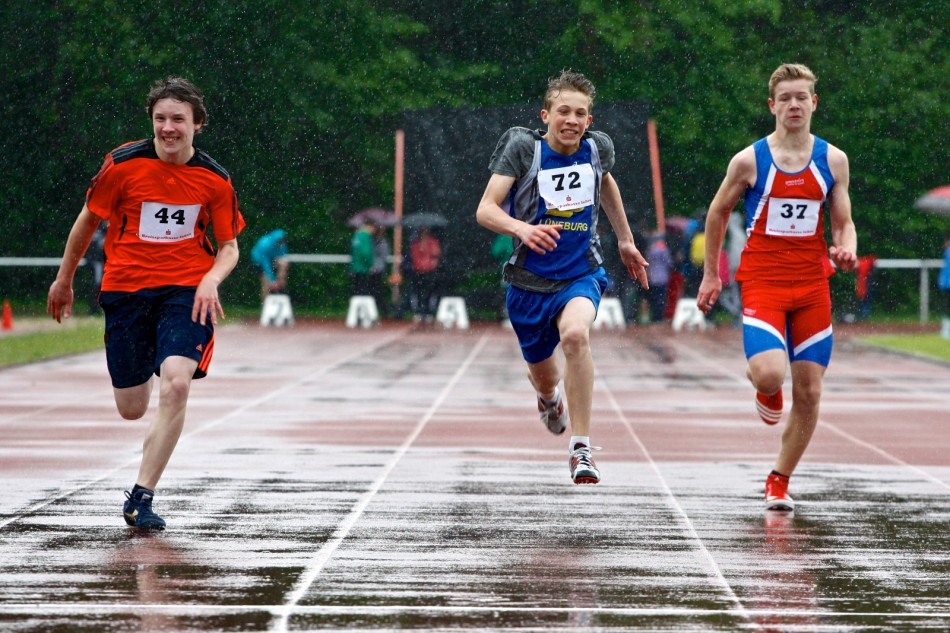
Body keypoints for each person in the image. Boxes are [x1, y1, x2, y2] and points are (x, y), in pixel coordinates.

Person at [47, 77, 246, 530]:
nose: (168, 128)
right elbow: (86, 222)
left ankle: (142, 496)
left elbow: (229, 247)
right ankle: (154, 370)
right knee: (132, 407)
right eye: (161, 118)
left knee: (177, 384)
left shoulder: (215, 180)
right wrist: (64, 279)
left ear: (198, 124)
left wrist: (211, 279)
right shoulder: (121, 166)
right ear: (151, 122)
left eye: (178, 119)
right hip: (127, 290)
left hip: (185, 293)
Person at [476, 70, 649, 484]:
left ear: (589, 121)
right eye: (564, 112)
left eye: (581, 113)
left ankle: (581, 448)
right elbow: (486, 209)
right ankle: (549, 398)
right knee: (545, 375)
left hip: (580, 274)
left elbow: (606, 185)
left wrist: (624, 240)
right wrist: (522, 229)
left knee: (575, 337)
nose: (572, 120)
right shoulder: (523, 150)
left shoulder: (595, 149)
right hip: (528, 283)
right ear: (547, 114)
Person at [697, 63, 857, 512]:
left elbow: (844, 225)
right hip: (764, 282)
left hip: (811, 287)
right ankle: (767, 391)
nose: (793, 104)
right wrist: (712, 274)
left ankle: (779, 479)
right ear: (772, 105)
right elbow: (717, 213)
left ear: (813, 103)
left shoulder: (833, 160)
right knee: (770, 374)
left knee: (809, 392)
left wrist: (845, 249)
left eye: (801, 97)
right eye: (784, 98)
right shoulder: (749, 160)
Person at [409, 226, 442, 323]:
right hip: (419, 270)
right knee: (418, 292)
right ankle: (419, 312)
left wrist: (428, 249)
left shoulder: (432, 242)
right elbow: (414, 256)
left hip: (429, 270)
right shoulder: (416, 243)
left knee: (429, 292)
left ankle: (428, 312)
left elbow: (437, 253)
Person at [250, 229, 289, 301]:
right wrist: (272, 280)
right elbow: (266, 265)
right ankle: (265, 304)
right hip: (259, 261)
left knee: (284, 263)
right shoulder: (265, 245)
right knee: (266, 282)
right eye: (280, 242)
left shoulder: (282, 245)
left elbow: (283, 258)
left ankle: (281, 285)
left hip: (271, 259)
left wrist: (280, 278)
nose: (281, 244)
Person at [645, 232, 672, 323]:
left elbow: (647, 262)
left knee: (654, 298)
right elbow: (669, 262)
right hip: (663, 277)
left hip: (653, 277)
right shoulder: (664, 249)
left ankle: (654, 317)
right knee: (661, 298)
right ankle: (659, 317)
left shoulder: (651, 249)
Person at [349, 221, 376, 296]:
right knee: (363, 289)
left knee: (356, 289)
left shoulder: (357, 236)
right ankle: (362, 306)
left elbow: (353, 252)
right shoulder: (365, 236)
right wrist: (370, 265)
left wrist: (352, 266)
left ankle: (356, 306)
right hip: (363, 267)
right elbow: (366, 252)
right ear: (369, 226)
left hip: (356, 266)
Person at [940, 232, 950, 339]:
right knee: (947, 307)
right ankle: (946, 329)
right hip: (947, 284)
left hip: (946, 283)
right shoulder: (947, 252)